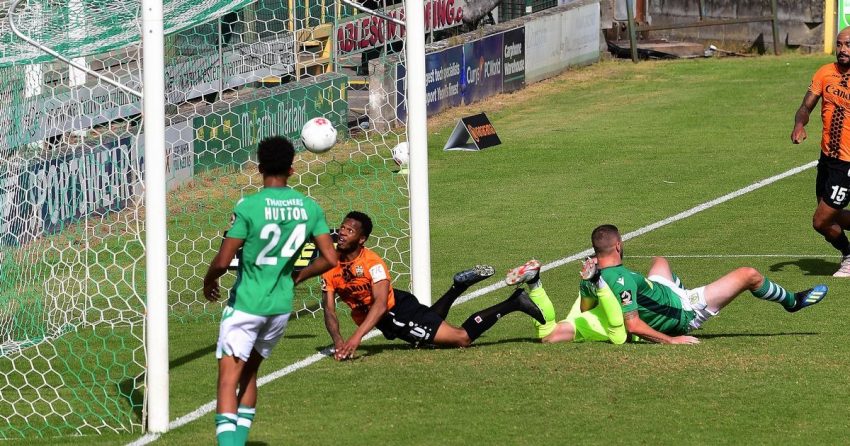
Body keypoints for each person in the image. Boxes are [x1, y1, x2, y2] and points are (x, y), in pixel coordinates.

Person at [202, 136, 338, 446]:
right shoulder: (309, 207)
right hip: (279, 308)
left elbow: (224, 261)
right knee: (250, 374)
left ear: (259, 167)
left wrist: (208, 281)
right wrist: (296, 276)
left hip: (247, 305)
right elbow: (330, 258)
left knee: (227, 381)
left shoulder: (249, 206)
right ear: (292, 169)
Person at [321, 211, 546, 360]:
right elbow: (329, 309)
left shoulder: (373, 263)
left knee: (461, 338)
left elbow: (380, 305)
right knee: (427, 334)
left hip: (396, 310)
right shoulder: (329, 264)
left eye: (349, 231)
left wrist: (355, 338)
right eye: (342, 228)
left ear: (362, 239)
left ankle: (513, 302)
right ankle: (457, 287)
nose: (342, 233)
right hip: (387, 319)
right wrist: (338, 340)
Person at [575, 224, 827, 344]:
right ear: (618, 245)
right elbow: (633, 323)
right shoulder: (623, 280)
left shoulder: (590, 276)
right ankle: (792, 302)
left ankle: (677, 288)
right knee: (749, 275)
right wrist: (671, 341)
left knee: (659, 261)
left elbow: (589, 312)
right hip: (683, 310)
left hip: (664, 291)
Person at [791, 26, 850, 277]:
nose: (842, 50)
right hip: (827, 159)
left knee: (820, 221)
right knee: (828, 216)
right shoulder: (825, 72)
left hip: (848, 164)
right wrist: (799, 124)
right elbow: (806, 106)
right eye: (839, 45)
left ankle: (848, 254)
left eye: (847, 45)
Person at [505, 258, 628, 345]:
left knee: (547, 335)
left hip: (589, 307)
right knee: (618, 338)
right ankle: (597, 279)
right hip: (604, 319)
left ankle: (534, 282)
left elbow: (585, 307)